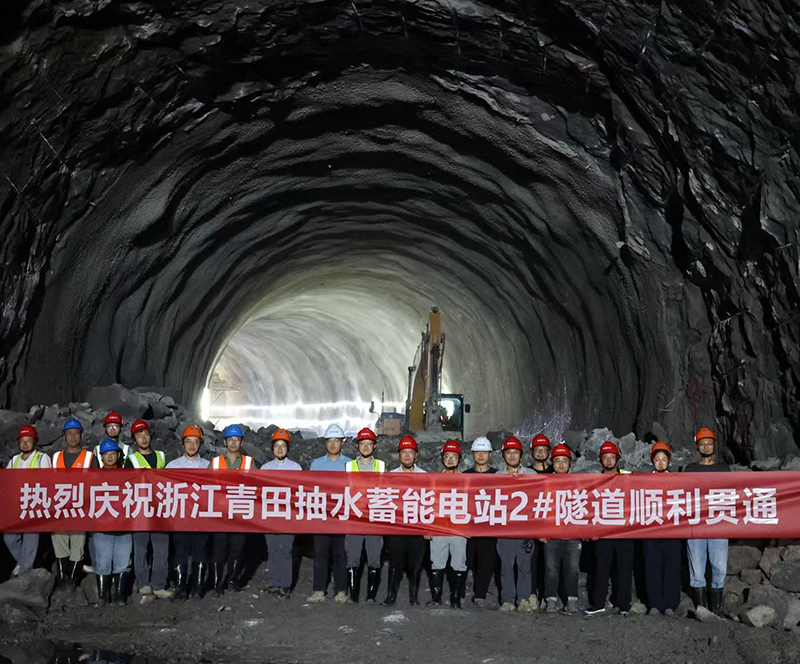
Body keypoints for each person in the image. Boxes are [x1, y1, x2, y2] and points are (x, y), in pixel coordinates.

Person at [682, 427, 730, 616]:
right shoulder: (690, 469)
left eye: (709, 443)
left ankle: (717, 608)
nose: (706, 447)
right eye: (702, 444)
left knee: (719, 566)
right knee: (697, 568)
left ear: (714, 445)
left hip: (719, 523)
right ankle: (702, 608)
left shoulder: (724, 469)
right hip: (696, 524)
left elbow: (733, 492)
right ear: (697, 446)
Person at [123, 419, 173, 598]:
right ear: (134, 440)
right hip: (140, 512)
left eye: (145, 434)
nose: (143, 438)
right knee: (141, 551)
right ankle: (144, 583)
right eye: (139, 436)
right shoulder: (131, 460)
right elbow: (125, 486)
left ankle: (159, 585)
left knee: (161, 551)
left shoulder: (161, 456)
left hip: (159, 511)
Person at [585, 440, 634, 616]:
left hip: (624, 531)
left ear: (617, 459)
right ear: (600, 460)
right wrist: (590, 530)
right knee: (601, 569)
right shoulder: (594, 480)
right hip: (603, 532)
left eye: (611, 457)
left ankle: (623, 604)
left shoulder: (628, 477)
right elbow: (588, 506)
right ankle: (598, 603)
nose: (608, 461)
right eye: (605, 457)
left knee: (624, 570)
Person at [307, 424, 353, 603]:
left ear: (343, 442)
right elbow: (309, 489)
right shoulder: (316, 464)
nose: (333, 444)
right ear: (325, 442)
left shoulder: (350, 464)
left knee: (341, 555)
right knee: (320, 555)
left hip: (342, 517)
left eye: (336, 440)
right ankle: (319, 590)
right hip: (321, 516)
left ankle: (341, 590)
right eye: (330, 440)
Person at [52, 417, 96, 590]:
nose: (72, 437)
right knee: (60, 543)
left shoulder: (89, 458)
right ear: (64, 436)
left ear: (81, 436)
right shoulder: (55, 457)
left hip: (80, 508)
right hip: (60, 508)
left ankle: (73, 579)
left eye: (76, 433)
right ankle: (62, 578)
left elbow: (97, 483)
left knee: (78, 544)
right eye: (69, 434)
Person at [167, 425, 210, 600]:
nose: (192, 445)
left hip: (201, 518)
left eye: (195, 442)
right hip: (180, 517)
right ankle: (181, 586)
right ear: (182, 443)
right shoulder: (172, 466)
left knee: (200, 551)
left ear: (200, 443)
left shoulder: (209, 466)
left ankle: (198, 586)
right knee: (180, 552)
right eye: (188, 441)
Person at [211, 424, 254, 594]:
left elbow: (258, 486)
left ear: (242, 442)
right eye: (230, 439)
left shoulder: (249, 463)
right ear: (225, 442)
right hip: (220, 514)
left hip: (239, 514)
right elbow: (206, 486)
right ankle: (217, 583)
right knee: (219, 549)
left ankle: (232, 581)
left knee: (237, 549)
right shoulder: (215, 463)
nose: (234, 442)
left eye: (237, 439)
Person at [384, 436, 427, 606]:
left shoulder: (424, 476)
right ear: (399, 455)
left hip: (417, 528)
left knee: (415, 564)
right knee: (395, 563)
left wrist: (428, 528)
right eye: (404, 452)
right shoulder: (391, 476)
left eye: (411, 452)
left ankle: (413, 597)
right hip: (397, 528)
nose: (407, 455)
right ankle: (391, 595)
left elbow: (430, 503)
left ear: (416, 455)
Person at [345, 427, 386, 603]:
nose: (366, 447)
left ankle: (371, 596)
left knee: (374, 558)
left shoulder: (381, 466)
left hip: (374, 519)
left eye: (369, 443)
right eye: (363, 443)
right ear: (357, 445)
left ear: (374, 446)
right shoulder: (349, 466)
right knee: (353, 558)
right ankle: (353, 596)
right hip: (354, 518)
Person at [5, 425, 51, 576]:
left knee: (31, 541)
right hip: (17, 507)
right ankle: (24, 562)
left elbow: (48, 482)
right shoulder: (14, 461)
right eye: (22, 441)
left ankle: (25, 576)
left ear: (35, 441)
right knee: (10, 538)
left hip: (34, 506)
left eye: (28, 440)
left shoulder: (42, 458)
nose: (25, 444)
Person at [261, 428, 302, 598]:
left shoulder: (296, 468)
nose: (279, 449)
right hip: (270, 515)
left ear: (288, 448)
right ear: (272, 448)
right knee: (273, 550)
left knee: (285, 550)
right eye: (277, 445)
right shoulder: (265, 468)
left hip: (287, 516)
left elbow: (299, 492)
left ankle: (285, 585)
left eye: (283, 445)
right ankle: (274, 583)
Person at [496, 436, 535, 612]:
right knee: (506, 566)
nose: (512, 456)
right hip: (505, 530)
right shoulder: (496, 477)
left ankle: (524, 599)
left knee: (524, 567)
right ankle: (508, 600)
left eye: (515, 453)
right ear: (503, 455)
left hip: (525, 529)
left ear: (521, 455)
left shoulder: (531, 475)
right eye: (508, 453)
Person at [427, 440, 467, 609]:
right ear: (442, 459)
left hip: (459, 529)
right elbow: (428, 504)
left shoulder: (467, 481)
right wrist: (427, 527)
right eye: (447, 456)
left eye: (453, 456)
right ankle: (436, 598)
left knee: (458, 564)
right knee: (437, 563)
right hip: (439, 528)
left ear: (459, 459)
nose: (450, 459)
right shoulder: (434, 480)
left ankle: (455, 599)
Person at [540, 444, 580, 615]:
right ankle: (551, 599)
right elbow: (538, 507)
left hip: (572, 534)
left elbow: (586, 507)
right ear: (552, 462)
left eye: (565, 461)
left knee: (572, 568)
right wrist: (540, 530)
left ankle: (572, 601)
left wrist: (585, 530)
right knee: (551, 569)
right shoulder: (545, 482)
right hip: (551, 534)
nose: (561, 464)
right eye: (557, 461)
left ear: (570, 463)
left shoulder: (578, 483)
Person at [643, 441, 681, 616]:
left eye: (663, 459)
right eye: (657, 459)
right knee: (652, 566)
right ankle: (654, 604)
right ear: (652, 461)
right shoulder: (644, 481)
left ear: (669, 461)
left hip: (672, 530)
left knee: (671, 567)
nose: (660, 463)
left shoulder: (678, 481)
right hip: (651, 530)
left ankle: (669, 604)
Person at [93, 439, 132, 606]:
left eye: (113, 453)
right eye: (106, 454)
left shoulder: (128, 475)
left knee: (123, 563)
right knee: (103, 563)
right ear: (101, 457)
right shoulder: (94, 477)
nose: (109, 457)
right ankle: (103, 597)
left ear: (118, 455)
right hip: (102, 527)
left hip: (124, 527)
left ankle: (119, 597)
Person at [463, 436, 498, 608]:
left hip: (488, 526)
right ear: (473, 454)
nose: (481, 455)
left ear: (490, 454)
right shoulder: (464, 476)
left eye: (484, 452)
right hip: (469, 525)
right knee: (466, 559)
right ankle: (460, 590)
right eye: (478, 452)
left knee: (486, 561)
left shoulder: (498, 476)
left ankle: (480, 594)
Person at [529, 433, 553, 607]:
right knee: (532, 562)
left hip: (550, 524)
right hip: (532, 524)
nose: (540, 453)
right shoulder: (526, 474)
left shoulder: (555, 471)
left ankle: (547, 595)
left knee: (549, 564)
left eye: (543, 450)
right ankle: (532, 593)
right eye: (537, 450)